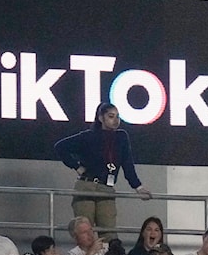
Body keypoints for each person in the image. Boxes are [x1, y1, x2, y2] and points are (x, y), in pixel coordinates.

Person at [54, 102, 151, 238]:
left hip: (107, 187)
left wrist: (138, 187)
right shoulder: (88, 136)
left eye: (118, 117)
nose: (115, 120)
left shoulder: (121, 137)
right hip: (86, 185)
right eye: (111, 116)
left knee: (109, 233)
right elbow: (60, 146)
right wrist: (76, 166)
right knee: (84, 232)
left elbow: (128, 164)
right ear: (101, 118)